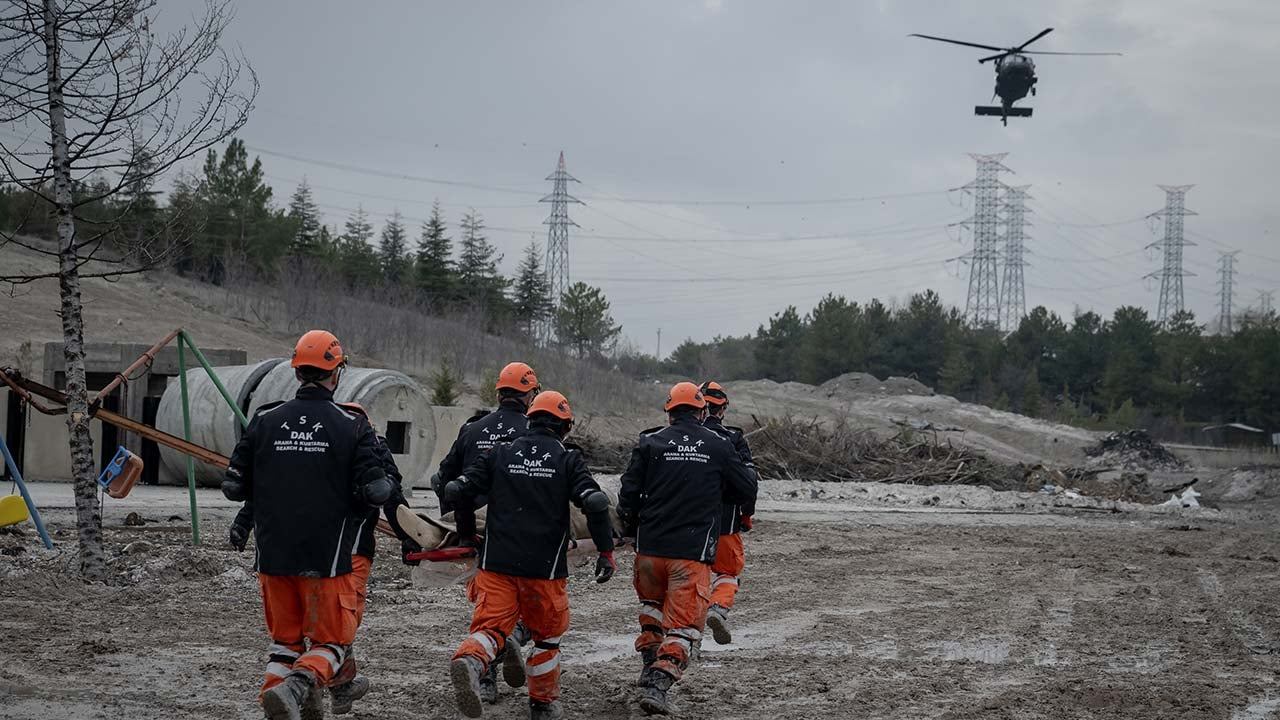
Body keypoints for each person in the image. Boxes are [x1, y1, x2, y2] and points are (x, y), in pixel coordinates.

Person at [222, 330, 409, 720]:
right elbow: (376, 489)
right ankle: (297, 686)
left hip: (272, 556)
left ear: (296, 371)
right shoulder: (351, 425)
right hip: (328, 557)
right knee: (332, 641)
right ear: (336, 372)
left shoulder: (265, 419)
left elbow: (235, 485)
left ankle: (281, 699)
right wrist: (388, 486)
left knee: (284, 645)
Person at [441, 391, 616, 720]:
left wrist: (465, 533)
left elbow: (458, 490)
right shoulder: (567, 457)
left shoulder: (501, 452)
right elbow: (593, 502)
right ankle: (542, 703)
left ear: (530, 418)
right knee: (547, 636)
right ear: (564, 426)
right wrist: (606, 550)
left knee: (490, 627)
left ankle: (471, 659)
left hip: (496, 563)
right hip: (543, 568)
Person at [617, 382, 758, 715]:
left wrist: (630, 528)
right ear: (702, 411)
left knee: (652, 608)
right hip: (691, 554)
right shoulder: (719, 445)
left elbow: (627, 492)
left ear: (669, 413)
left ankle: (649, 662)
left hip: (649, 550)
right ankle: (658, 684)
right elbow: (746, 487)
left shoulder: (650, 442)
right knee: (683, 626)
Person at [427, 361, 541, 702]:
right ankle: (505, 648)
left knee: (490, 607)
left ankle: (490, 674)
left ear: (500, 393)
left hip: (477, 535)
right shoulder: (537, 432)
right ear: (530, 394)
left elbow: (444, 479)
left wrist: (456, 526)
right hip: (524, 534)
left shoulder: (473, 429)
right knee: (536, 608)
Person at [698, 381, 757, 645]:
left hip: (688, 521)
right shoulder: (732, 437)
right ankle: (718, 608)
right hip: (725, 520)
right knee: (728, 573)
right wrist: (746, 515)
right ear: (722, 409)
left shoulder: (674, 437)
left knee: (690, 574)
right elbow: (749, 481)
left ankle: (685, 628)